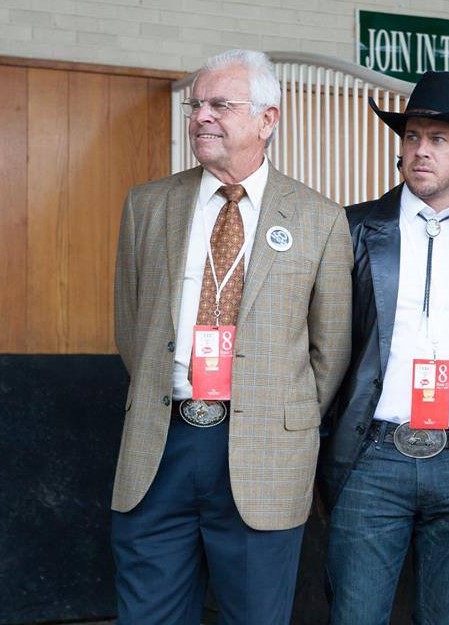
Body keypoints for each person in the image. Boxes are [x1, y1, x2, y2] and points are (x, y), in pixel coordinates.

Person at [111, 49, 352, 624]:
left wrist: (275, 413)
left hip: (263, 455)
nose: (201, 117)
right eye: (197, 105)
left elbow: (331, 348)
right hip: (160, 444)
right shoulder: (148, 206)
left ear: (268, 119)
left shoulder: (320, 219)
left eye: (221, 104)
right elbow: (130, 324)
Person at [318, 70, 449, 624]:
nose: (421, 151)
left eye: (438, 140)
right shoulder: (358, 228)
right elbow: (327, 339)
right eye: (412, 136)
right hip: (373, 454)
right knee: (355, 614)